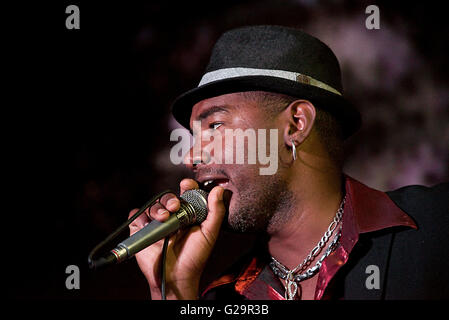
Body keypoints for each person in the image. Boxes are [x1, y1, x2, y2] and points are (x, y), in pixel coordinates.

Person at [128, 25, 449, 300]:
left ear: (296, 124)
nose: (191, 156)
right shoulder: (220, 297)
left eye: (214, 126)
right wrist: (174, 290)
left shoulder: (437, 224)